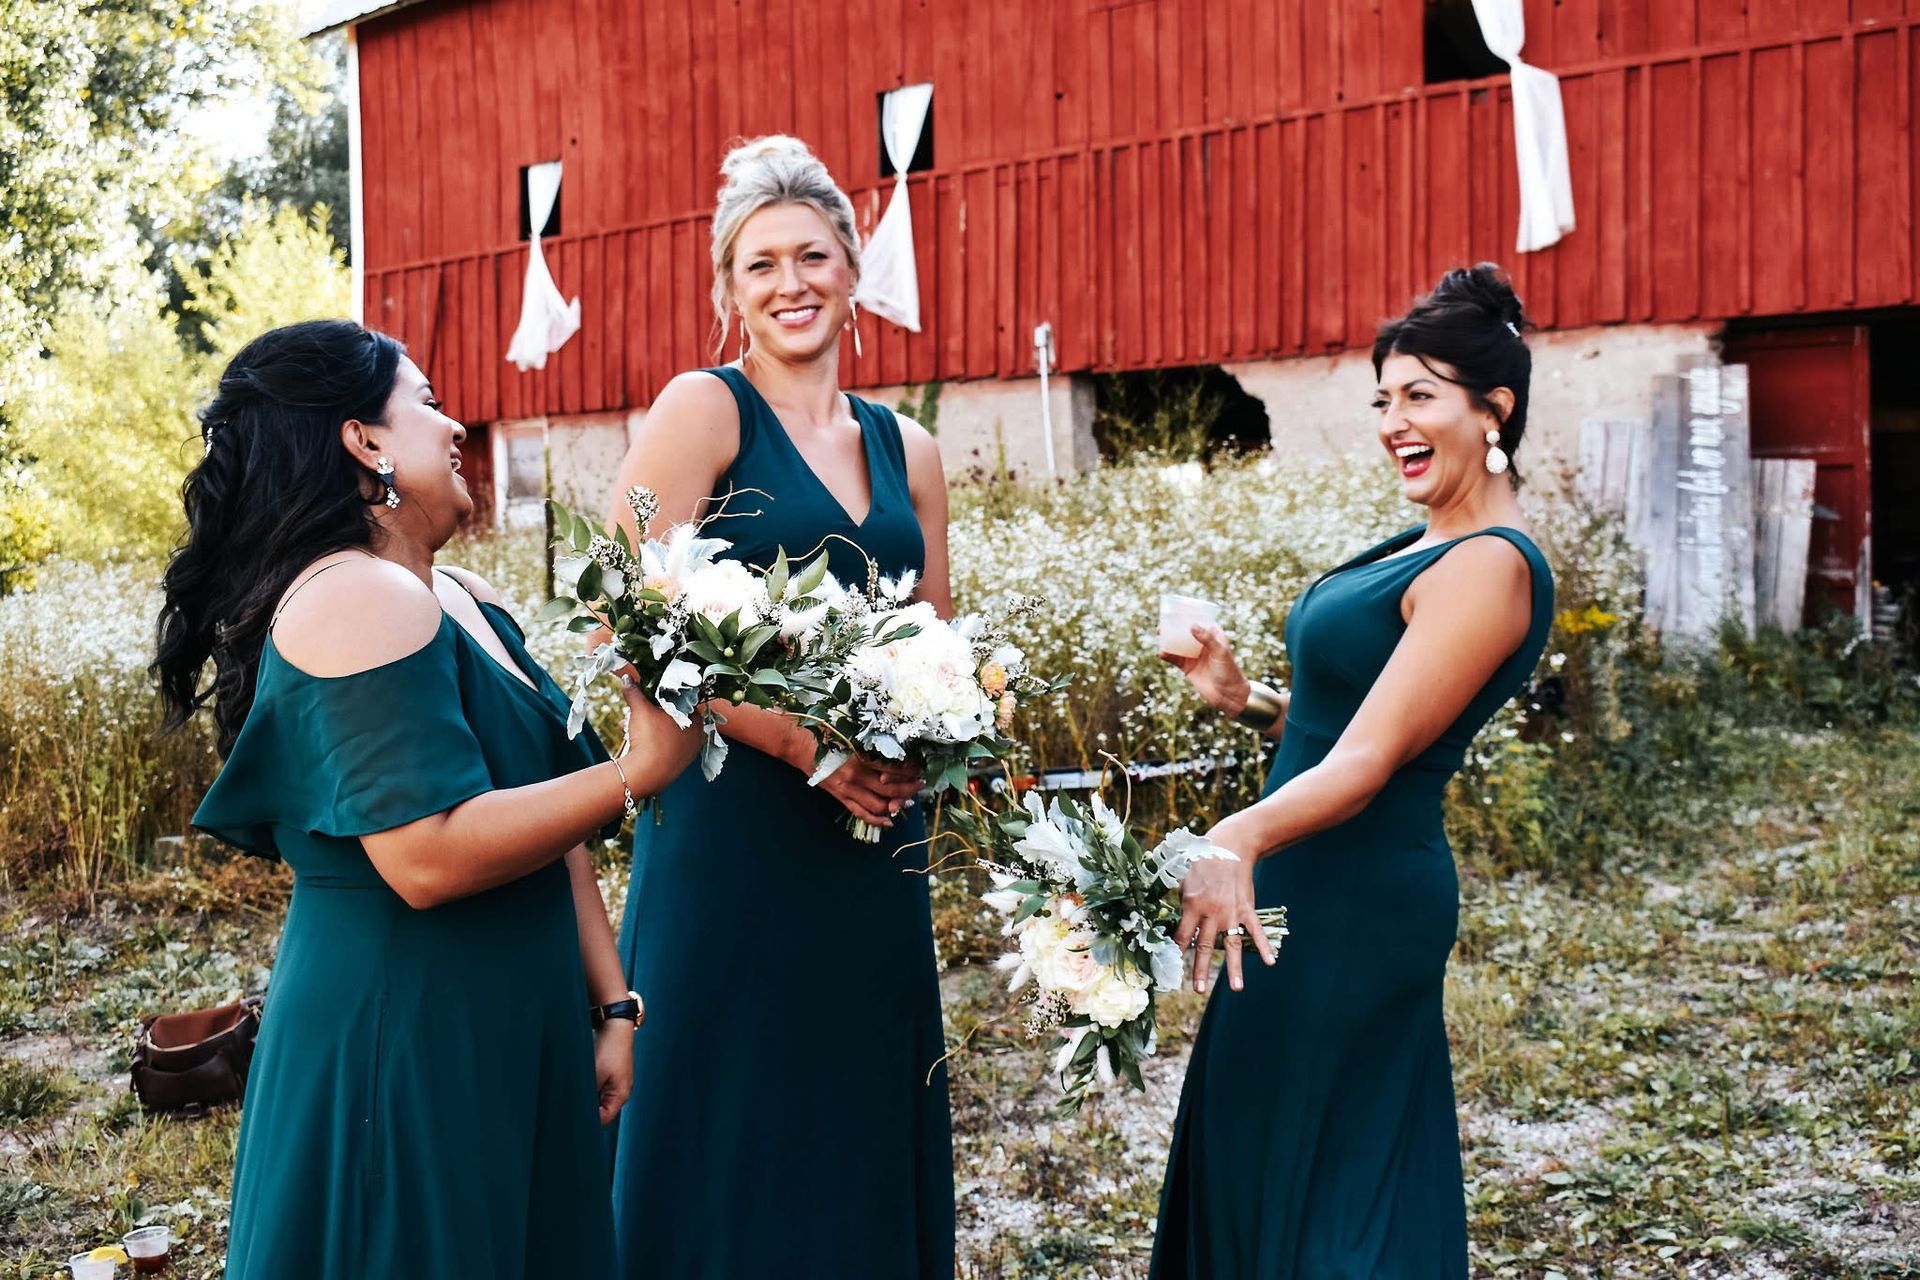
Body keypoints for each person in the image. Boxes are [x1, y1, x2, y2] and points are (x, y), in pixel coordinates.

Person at [152, 319, 699, 1278]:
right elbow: (426, 856)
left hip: (513, 1017)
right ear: (364, 441)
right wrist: (636, 773)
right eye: (428, 401)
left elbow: (546, 824)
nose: (454, 427)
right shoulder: (355, 595)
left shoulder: (465, 596)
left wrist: (612, 1005)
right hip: (406, 1030)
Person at [1150, 265, 1557, 1278]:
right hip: (1303, 880)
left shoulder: (1490, 565)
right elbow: (1362, 721)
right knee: (1266, 1142)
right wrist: (1245, 696)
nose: (1394, 421)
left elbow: (1374, 762)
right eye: (1384, 399)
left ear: (1493, 408)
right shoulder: (1422, 542)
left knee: (1333, 1178)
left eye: (1420, 395)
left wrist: (1236, 834)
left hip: (1358, 902)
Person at [601, 136, 956, 1278]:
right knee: (723, 1112)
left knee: (854, 1103)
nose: (791, 282)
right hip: (730, 836)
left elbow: (937, 640)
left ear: (854, 270)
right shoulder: (699, 411)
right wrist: (804, 742)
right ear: (728, 291)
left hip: (870, 845)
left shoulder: (915, 448)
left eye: (813, 254)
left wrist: (935, 745)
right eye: (761, 265)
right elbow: (623, 608)